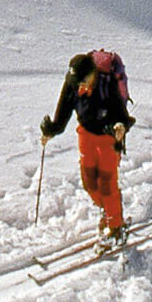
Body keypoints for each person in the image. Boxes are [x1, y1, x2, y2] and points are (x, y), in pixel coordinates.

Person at [41, 50, 135, 245]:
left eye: (84, 81)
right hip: (86, 134)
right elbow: (63, 112)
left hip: (108, 139)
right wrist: (51, 131)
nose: (80, 87)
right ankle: (108, 210)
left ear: (93, 74)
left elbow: (122, 116)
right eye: (77, 83)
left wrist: (120, 126)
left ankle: (116, 226)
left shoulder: (106, 85)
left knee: (107, 184)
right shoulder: (72, 84)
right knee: (90, 183)